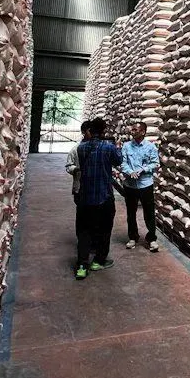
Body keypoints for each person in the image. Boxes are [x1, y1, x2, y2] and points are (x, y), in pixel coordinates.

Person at [73, 117, 121, 280]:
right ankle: (98, 261)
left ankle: (81, 265)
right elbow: (118, 161)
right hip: (104, 196)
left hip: (85, 197)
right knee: (104, 230)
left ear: (90, 130)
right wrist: (117, 147)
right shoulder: (108, 147)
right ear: (103, 131)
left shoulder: (81, 147)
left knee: (84, 231)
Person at [121, 121, 160, 252]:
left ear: (143, 132)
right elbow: (123, 163)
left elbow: (155, 163)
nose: (132, 132)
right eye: (132, 130)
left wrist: (143, 170)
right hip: (130, 185)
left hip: (145, 184)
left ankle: (151, 239)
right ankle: (133, 237)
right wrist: (129, 172)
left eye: (135, 130)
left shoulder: (150, 147)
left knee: (149, 213)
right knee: (131, 212)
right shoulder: (126, 146)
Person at [65, 120, 91, 205]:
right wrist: (76, 169)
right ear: (83, 132)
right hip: (80, 187)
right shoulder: (75, 149)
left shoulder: (99, 149)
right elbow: (69, 166)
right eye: (89, 131)